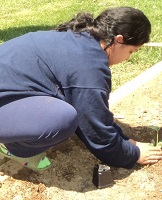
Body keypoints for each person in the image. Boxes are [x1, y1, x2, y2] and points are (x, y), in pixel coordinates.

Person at [0, 6, 162, 171]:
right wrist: (132, 154)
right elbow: (96, 130)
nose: (128, 58)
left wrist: (126, 140)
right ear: (118, 40)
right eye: (131, 51)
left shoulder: (79, 38)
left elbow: (93, 112)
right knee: (62, 120)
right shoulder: (90, 68)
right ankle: (14, 148)